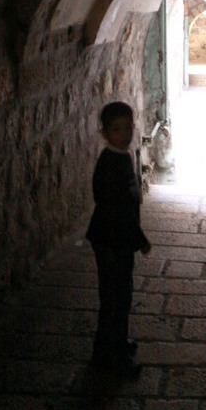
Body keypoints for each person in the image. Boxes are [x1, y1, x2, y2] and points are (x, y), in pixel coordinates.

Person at [85, 101, 151, 378]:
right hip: (112, 241)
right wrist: (139, 238)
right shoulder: (111, 164)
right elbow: (117, 209)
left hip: (117, 240)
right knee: (115, 298)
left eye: (128, 128)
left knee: (118, 296)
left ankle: (113, 345)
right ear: (104, 133)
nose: (124, 134)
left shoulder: (121, 156)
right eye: (116, 129)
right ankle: (112, 358)